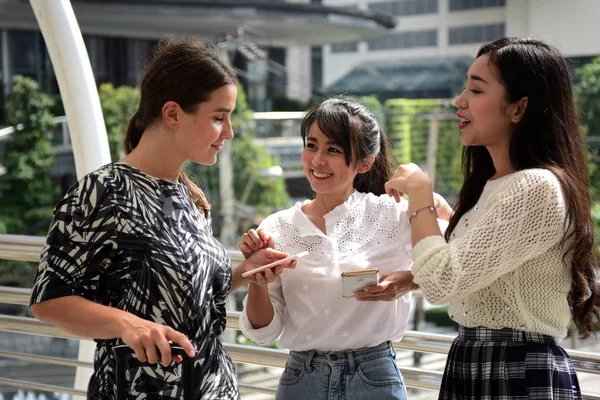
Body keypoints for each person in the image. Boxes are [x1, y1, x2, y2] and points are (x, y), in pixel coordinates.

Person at [29, 37, 292, 399]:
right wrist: (127, 324)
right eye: (218, 118)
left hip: (215, 388)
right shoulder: (102, 191)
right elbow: (48, 300)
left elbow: (189, 302)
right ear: (171, 114)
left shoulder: (191, 197)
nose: (229, 132)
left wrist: (244, 272)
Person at [385, 37, 600, 399]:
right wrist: (412, 277)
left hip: (515, 365)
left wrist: (420, 196)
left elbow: (444, 281)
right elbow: (490, 270)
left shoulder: (537, 186)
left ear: (519, 108)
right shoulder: (497, 185)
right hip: (478, 360)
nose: (460, 100)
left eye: (476, 89)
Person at [238, 98, 451, 400]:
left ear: (364, 163)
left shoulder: (392, 214)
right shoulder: (277, 227)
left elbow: (457, 258)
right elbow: (264, 332)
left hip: (374, 376)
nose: (317, 160)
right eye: (311, 146)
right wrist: (257, 283)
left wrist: (409, 280)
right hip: (302, 380)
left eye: (333, 150)